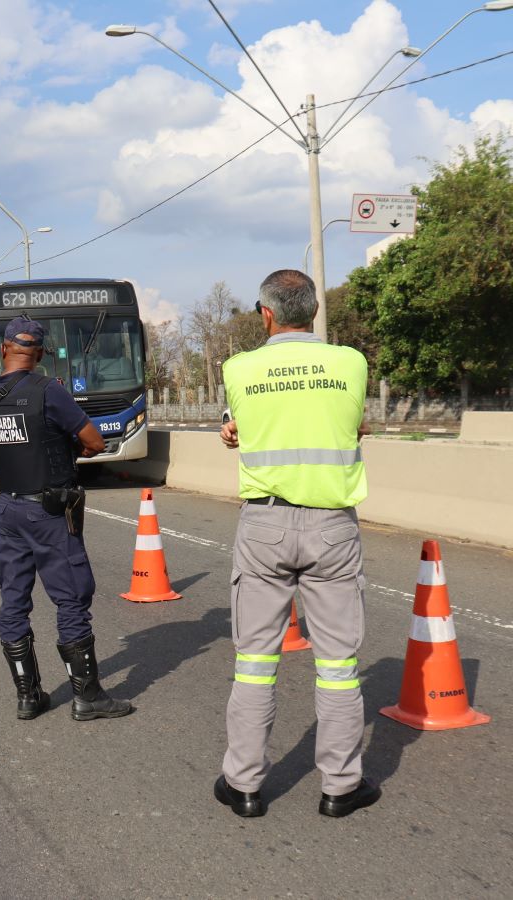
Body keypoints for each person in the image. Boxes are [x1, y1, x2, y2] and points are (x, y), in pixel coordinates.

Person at [216, 269, 377, 819]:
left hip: (264, 526)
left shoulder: (238, 369)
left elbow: (244, 423)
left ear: (266, 313)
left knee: (254, 662)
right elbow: (350, 424)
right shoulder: (350, 362)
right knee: (338, 665)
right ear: (314, 310)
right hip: (333, 527)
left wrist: (232, 427)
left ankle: (243, 785)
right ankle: (341, 787)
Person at [0, 315, 133, 722]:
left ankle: (29, 696)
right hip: (50, 511)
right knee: (70, 598)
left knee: (13, 600)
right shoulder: (49, 392)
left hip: (8, 511)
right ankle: (87, 698)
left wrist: (3, 488)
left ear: (4, 349)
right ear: (39, 355)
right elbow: (94, 442)